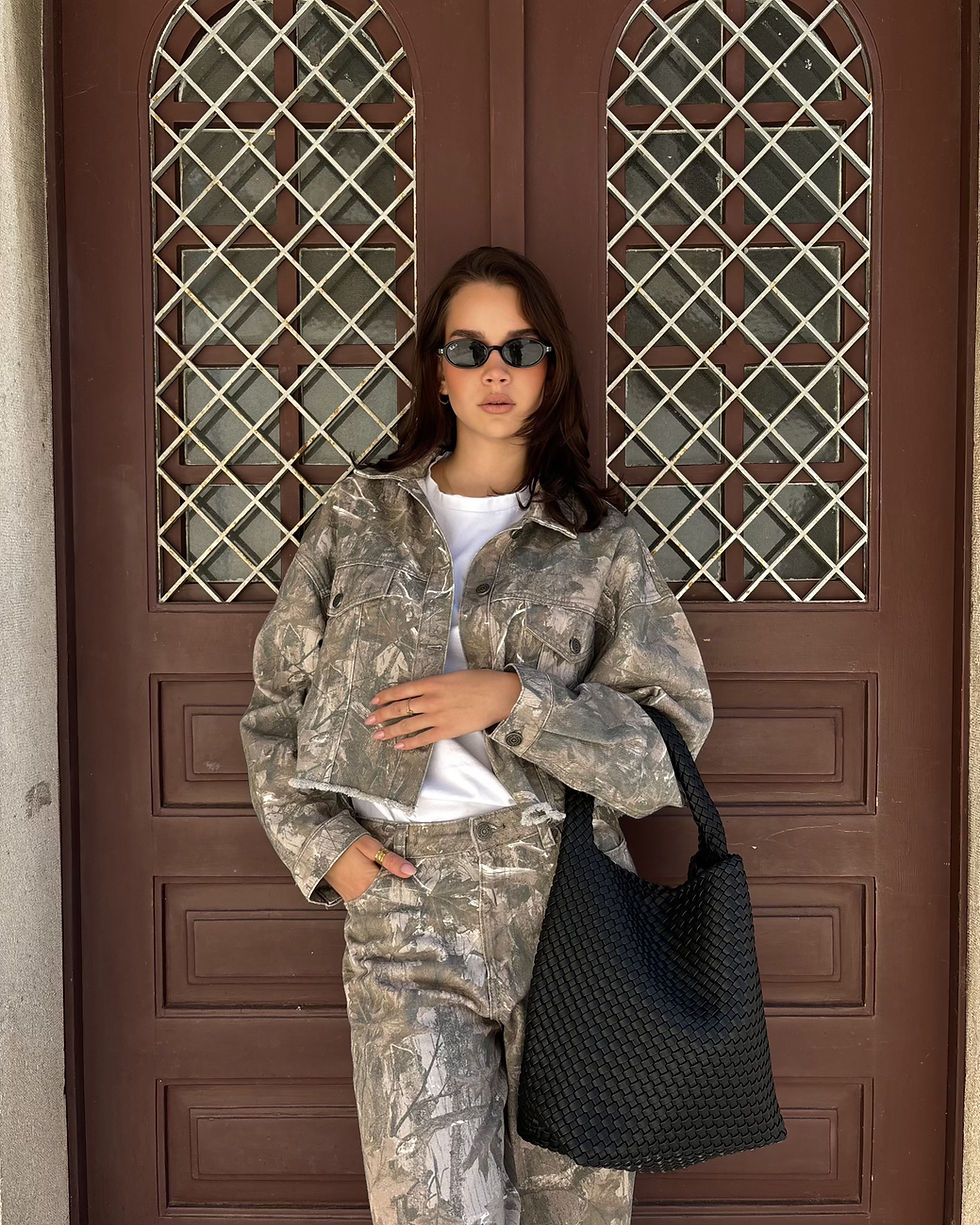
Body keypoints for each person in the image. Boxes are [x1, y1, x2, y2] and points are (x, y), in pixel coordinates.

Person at [240, 245, 714, 1224]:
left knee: (576, 1212)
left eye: (520, 347)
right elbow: (275, 706)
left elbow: (667, 750)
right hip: (404, 907)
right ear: (438, 369)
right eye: (470, 348)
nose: (496, 370)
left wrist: (512, 699)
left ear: (550, 367)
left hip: (571, 904)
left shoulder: (601, 543)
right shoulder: (357, 519)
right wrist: (328, 851)